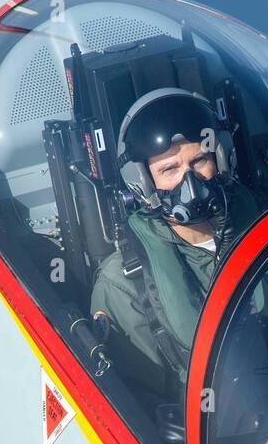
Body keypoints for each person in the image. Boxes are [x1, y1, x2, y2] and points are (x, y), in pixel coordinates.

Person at [91, 88, 259, 395]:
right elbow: (146, 405)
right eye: (170, 169)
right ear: (142, 182)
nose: (189, 182)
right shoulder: (123, 283)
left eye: (199, 161)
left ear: (219, 160)